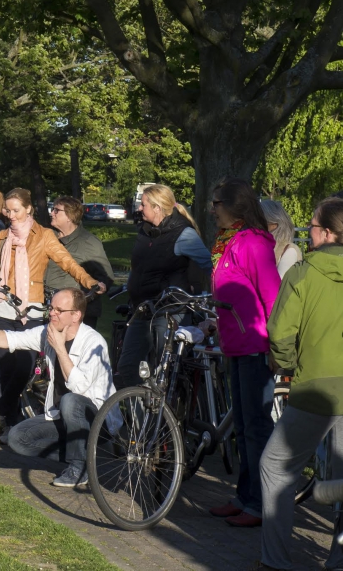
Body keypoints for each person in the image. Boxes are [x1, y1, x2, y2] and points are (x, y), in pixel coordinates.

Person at [0, 188, 105, 444]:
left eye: (16, 210)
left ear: (29, 209)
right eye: (7, 210)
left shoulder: (44, 236)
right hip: (0, 307)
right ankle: (10, 422)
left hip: (29, 310)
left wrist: (89, 281)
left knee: (23, 367)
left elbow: (68, 262)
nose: (11, 215)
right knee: (8, 368)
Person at [0, 288, 116, 487]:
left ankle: (80, 467)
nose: (52, 313)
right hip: (61, 416)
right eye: (51, 308)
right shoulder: (47, 332)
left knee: (70, 400)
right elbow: (10, 338)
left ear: (76, 315)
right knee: (17, 439)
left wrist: (59, 348)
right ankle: (88, 456)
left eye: (59, 310)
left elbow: (79, 389)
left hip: (97, 420)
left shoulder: (93, 343)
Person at [260, 197, 343, 570]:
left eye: (311, 226)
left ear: (327, 233)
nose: (307, 232)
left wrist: (288, 368)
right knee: (340, 475)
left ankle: (275, 562)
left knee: (275, 466)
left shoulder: (305, 272)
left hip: (316, 386)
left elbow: (279, 332)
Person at [202, 179, 281, 528]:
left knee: (256, 426)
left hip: (255, 346)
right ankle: (245, 496)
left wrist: (278, 347)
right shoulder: (228, 240)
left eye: (216, 203)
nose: (212, 209)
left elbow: (272, 296)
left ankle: (261, 504)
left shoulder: (253, 243)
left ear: (235, 206)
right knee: (245, 426)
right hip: (236, 344)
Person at [114, 184, 212, 390]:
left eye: (144, 204)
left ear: (158, 208)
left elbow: (211, 265)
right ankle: (143, 420)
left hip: (168, 312)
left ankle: (169, 418)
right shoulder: (145, 231)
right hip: (142, 309)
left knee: (165, 371)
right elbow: (140, 265)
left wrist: (203, 292)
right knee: (127, 367)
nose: (140, 208)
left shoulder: (182, 233)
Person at [44, 196, 114, 330]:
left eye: (56, 210)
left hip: (77, 315)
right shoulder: (49, 238)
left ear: (69, 216)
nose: (51, 213)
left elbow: (105, 278)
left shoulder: (88, 242)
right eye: (52, 209)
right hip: (48, 309)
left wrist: (81, 300)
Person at [260, 199, 303, 277]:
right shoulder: (261, 247)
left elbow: (280, 285)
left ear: (274, 224)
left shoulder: (289, 251)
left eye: (260, 221)